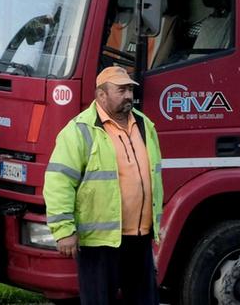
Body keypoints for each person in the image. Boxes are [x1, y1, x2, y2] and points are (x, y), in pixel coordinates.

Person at [44, 66, 165, 304]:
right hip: (98, 241)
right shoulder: (79, 130)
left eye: (130, 89)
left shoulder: (145, 125)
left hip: (139, 237)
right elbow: (58, 180)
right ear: (101, 94)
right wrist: (63, 229)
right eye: (121, 90)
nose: (129, 95)